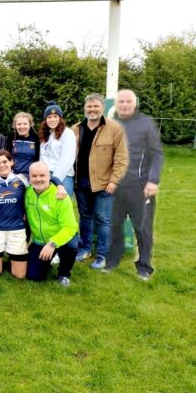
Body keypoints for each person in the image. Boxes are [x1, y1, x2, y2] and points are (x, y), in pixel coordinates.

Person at [106, 89, 164, 281]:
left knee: (142, 228)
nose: (124, 105)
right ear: (117, 103)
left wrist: (153, 180)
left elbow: (157, 154)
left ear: (134, 103)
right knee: (115, 225)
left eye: (128, 101)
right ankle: (113, 261)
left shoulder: (146, 123)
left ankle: (144, 267)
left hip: (140, 187)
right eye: (121, 101)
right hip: (116, 186)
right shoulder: (110, 123)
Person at [71, 93, 129, 269]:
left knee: (103, 219)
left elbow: (122, 159)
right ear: (85, 108)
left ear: (102, 108)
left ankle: (102, 255)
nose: (92, 109)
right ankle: (85, 249)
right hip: (81, 183)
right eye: (89, 106)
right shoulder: (76, 129)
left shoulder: (114, 129)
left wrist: (114, 181)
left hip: (104, 184)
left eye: (96, 106)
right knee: (85, 217)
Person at [25, 162, 78, 286]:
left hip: (60, 239)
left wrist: (52, 243)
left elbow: (70, 227)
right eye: (34, 176)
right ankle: (46, 261)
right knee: (34, 276)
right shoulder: (27, 193)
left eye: (42, 175)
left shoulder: (60, 196)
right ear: (29, 177)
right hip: (39, 240)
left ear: (49, 176)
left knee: (72, 246)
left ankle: (64, 274)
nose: (38, 179)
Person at [0, 151, 30, 278]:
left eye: (5, 162)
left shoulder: (22, 180)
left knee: (19, 275)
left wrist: (59, 186)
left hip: (17, 229)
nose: (2, 165)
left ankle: (13, 258)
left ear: (11, 162)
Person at [39, 101, 76, 197]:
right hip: (46, 175)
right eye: (49, 117)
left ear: (60, 118)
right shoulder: (46, 134)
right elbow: (42, 158)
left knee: (62, 206)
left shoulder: (67, 133)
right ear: (45, 120)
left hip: (63, 175)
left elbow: (67, 159)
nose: (52, 120)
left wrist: (55, 179)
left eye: (55, 116)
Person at [11, 112, 40, 176]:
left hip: (30, 175)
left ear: (30, 125)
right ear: (15, 125)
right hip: (12, 175)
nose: (22, 127)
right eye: (19, 124)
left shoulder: (37, 139)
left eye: (25, 124)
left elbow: (38, 160)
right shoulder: (10, 138)